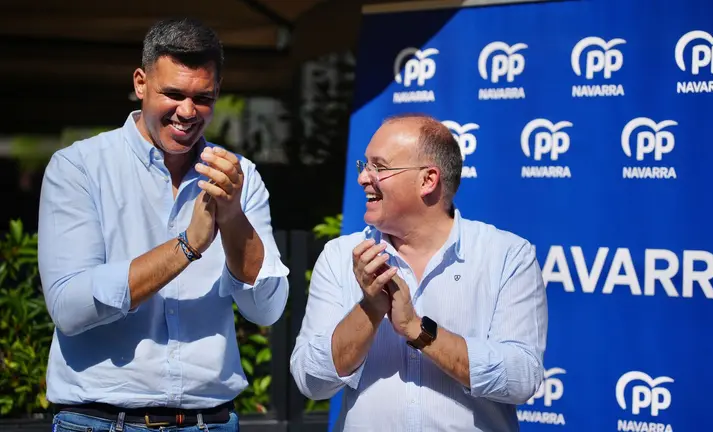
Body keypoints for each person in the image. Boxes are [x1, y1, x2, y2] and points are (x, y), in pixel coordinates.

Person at [37, 17, 289, 432]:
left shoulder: (238, 175)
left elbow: (266, 308)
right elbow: (70, 308)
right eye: (173, 94)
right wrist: (187, 246)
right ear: (140, 83)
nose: (187, 112)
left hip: (211, 422)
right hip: (101, 421)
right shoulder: (79, 167)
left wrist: (232, 217)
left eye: (202, 98)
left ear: (217, 93)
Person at [290, 114, 549, 431]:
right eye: (365, 165)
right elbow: (311, 381)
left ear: (428, 180)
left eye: (379, 167)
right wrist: (369, 309)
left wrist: (417, 329)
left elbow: (522, 378)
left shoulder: (507, 255)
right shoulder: (341, 255)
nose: (363, 178)